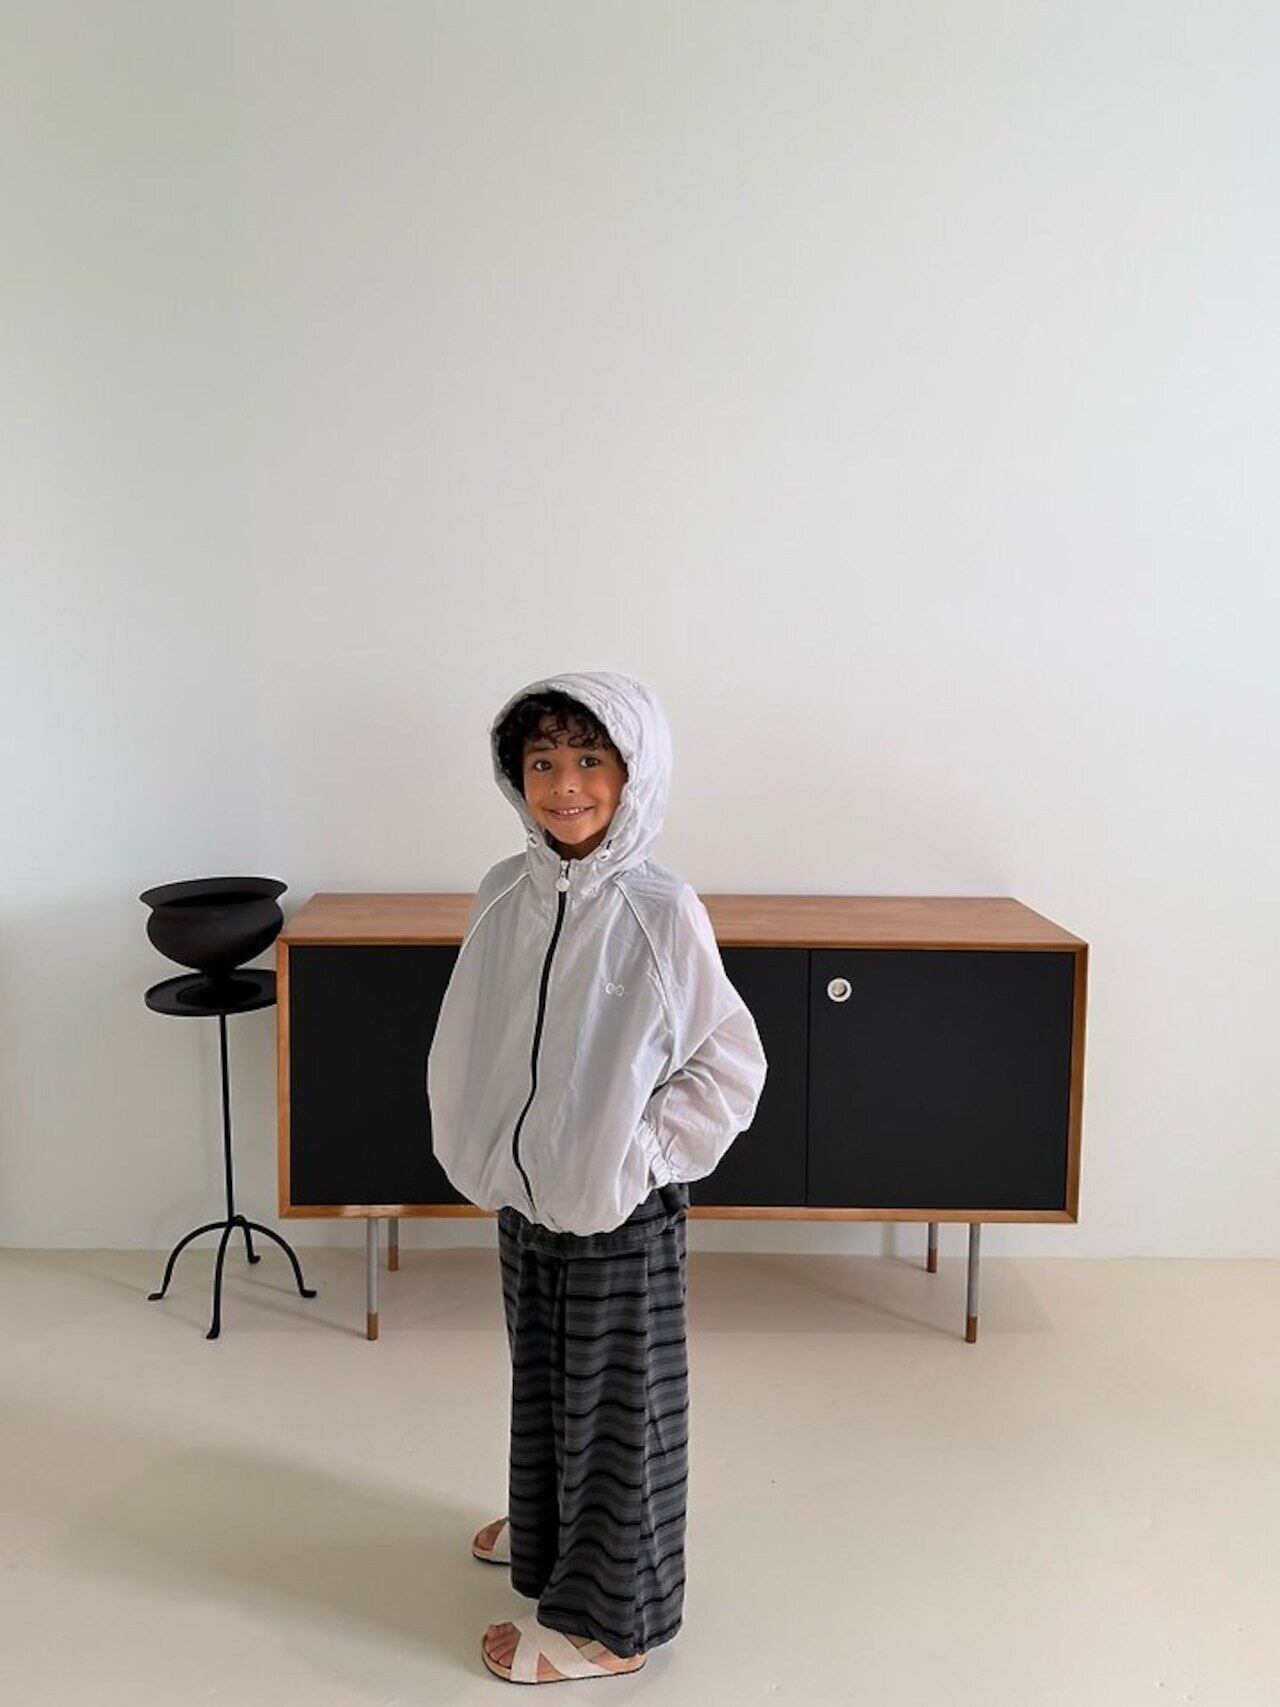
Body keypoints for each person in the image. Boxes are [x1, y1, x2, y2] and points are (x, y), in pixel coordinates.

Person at [426, 670, 768, 1684]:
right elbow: (479, 1033)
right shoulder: (506, 891)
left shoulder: (660, 908)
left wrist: (637, 1157)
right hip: (528, 1199)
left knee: (619, 1414)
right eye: (542, 761)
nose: (564, 784)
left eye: (589, 759)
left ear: (633, 773)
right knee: (544, 1378)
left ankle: (612, 1627)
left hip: (618, 1209)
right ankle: (546, 1534)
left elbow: (728, 1064)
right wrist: (495, 1153)